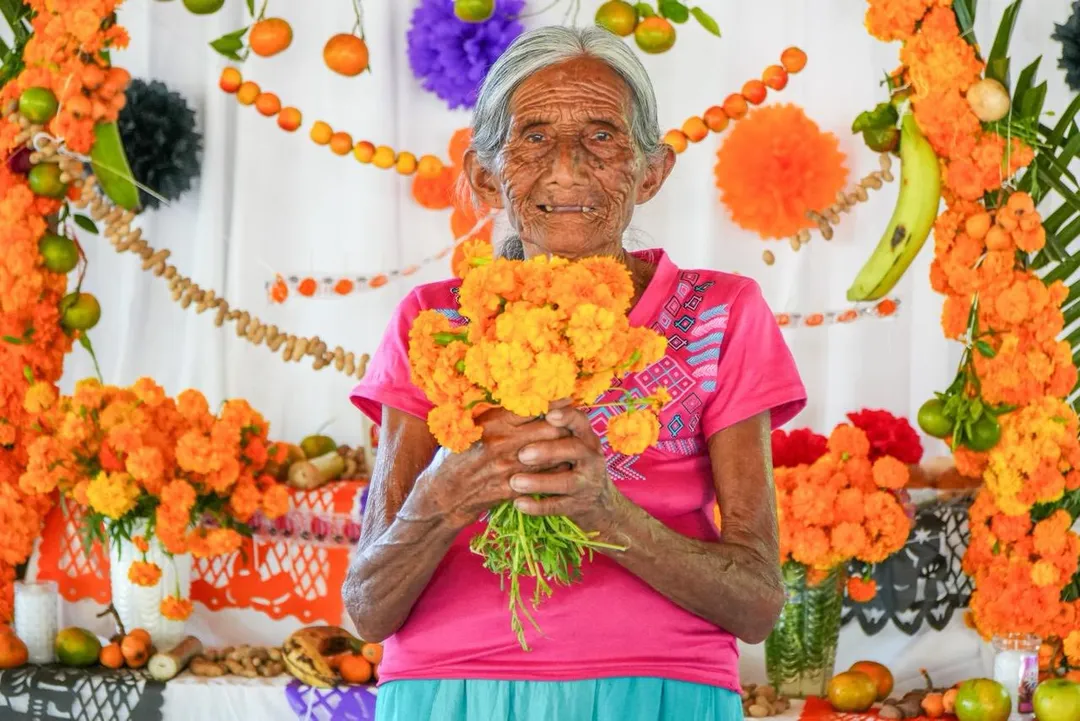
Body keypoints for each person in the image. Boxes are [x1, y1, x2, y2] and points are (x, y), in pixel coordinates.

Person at [344, 24, 806, 721]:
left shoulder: (722, 312)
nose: (565, 168)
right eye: (532, 136)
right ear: (484, 175)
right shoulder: (432, 322)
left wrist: (604, 511)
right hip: (450, 688)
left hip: (657, 688)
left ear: (651, 171)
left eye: (601, 136)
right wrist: (442, 498)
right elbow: (368, 608)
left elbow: (757, 602)